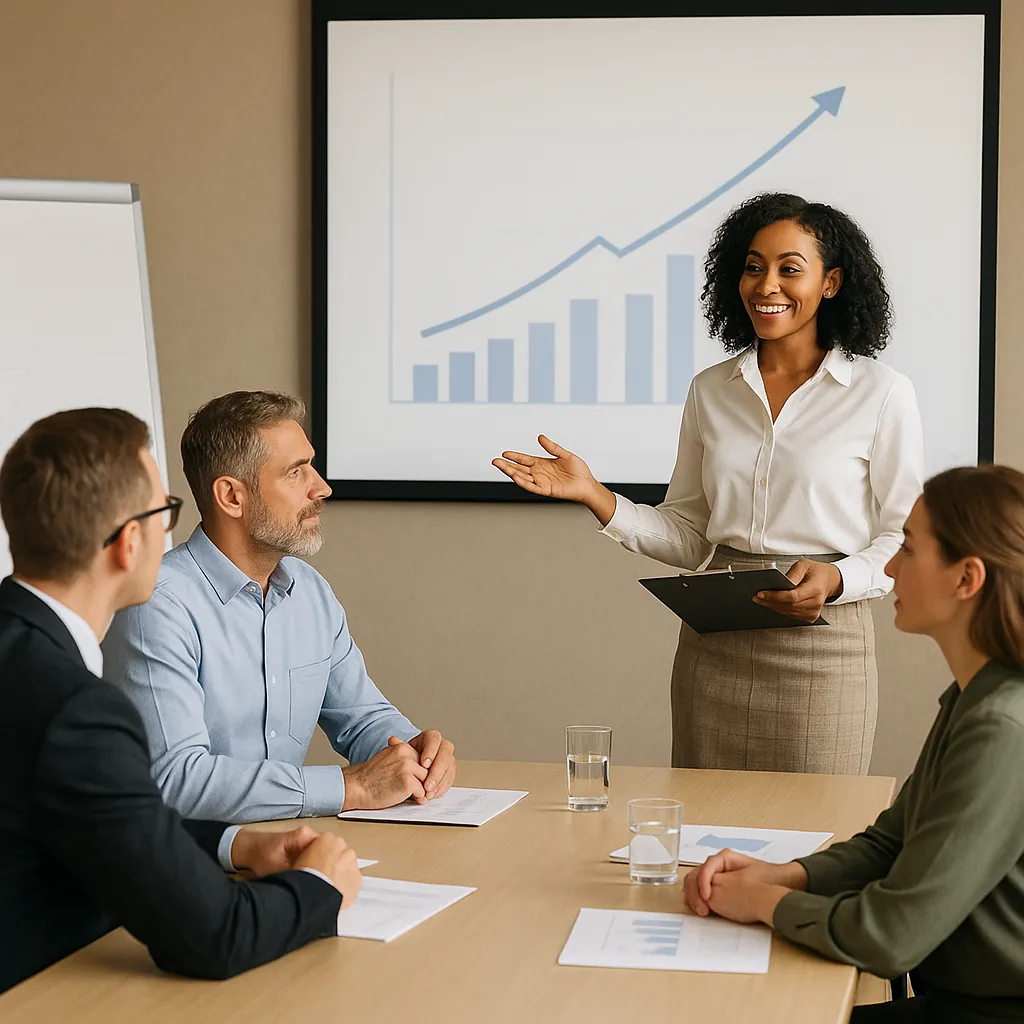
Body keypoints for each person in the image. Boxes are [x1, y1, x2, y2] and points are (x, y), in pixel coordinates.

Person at [494, 192, 923, 774]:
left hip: (825, 649)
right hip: (714, 650)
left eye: (789, 269)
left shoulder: (882, 393)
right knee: (705, 836)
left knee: (814, 844)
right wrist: (594, 495)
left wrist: (839, 578)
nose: (766, 285)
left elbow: (904, 536)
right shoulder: (711, 389)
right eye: (753, 267)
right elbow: (692, 538)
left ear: (831, 282)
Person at [0, 408, 362, 993]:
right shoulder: (76, 710)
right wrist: (320, 888)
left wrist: (236, 843)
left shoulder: (21, 655)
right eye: (165, 513)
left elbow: (104, 823)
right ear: (128, 542)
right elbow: (214, 938)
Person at [682, 464, 1024, 1022]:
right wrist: (784, 874)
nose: (889, 566)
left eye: (909, 549)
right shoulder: (976, 697)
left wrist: (763, 903)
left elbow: (890, 936)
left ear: (967, 579)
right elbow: (890, 846)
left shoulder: (1003, 726)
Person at [103, 391, 456, 824]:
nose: (321, 487)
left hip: (285, 847)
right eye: (296, 473)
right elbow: (177, 780)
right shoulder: (157, 604)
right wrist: (352, 787)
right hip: (190, 866)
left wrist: (411, 753)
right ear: (232, 497)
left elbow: (361, 718)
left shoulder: (310, 591)